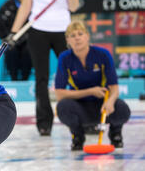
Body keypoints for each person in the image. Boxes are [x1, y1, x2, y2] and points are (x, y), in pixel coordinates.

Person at [9, 0, 79, 136]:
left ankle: (80, 117)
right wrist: (13, 32)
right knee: (41, 78)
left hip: (63, 29)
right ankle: (44, 123)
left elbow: (74, 7)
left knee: (72, 74)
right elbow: (26, 6)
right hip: (38, 30)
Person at [55, 20, 130, 150]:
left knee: (122, 108)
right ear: (67, 40)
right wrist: (90, 91)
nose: (77, 38)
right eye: (72, 35)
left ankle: (116, 133)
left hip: (103, 106)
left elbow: (114, 87)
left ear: (88, 36)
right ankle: (77, 136)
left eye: (80, 33)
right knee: (62, 107)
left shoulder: (103, 54)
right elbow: (60, 94)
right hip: (79, 107)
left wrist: (110, 102)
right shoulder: (65, 58)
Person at [0, 0, 32, 81]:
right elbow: (0, 29)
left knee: (29, 50)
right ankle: (14, 81)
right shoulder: (5, 7)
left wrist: (24, 39)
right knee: (11, 50)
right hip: (12, 43)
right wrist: (11, 39)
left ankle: (25, 81)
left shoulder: (36, 6)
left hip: (30, 43)